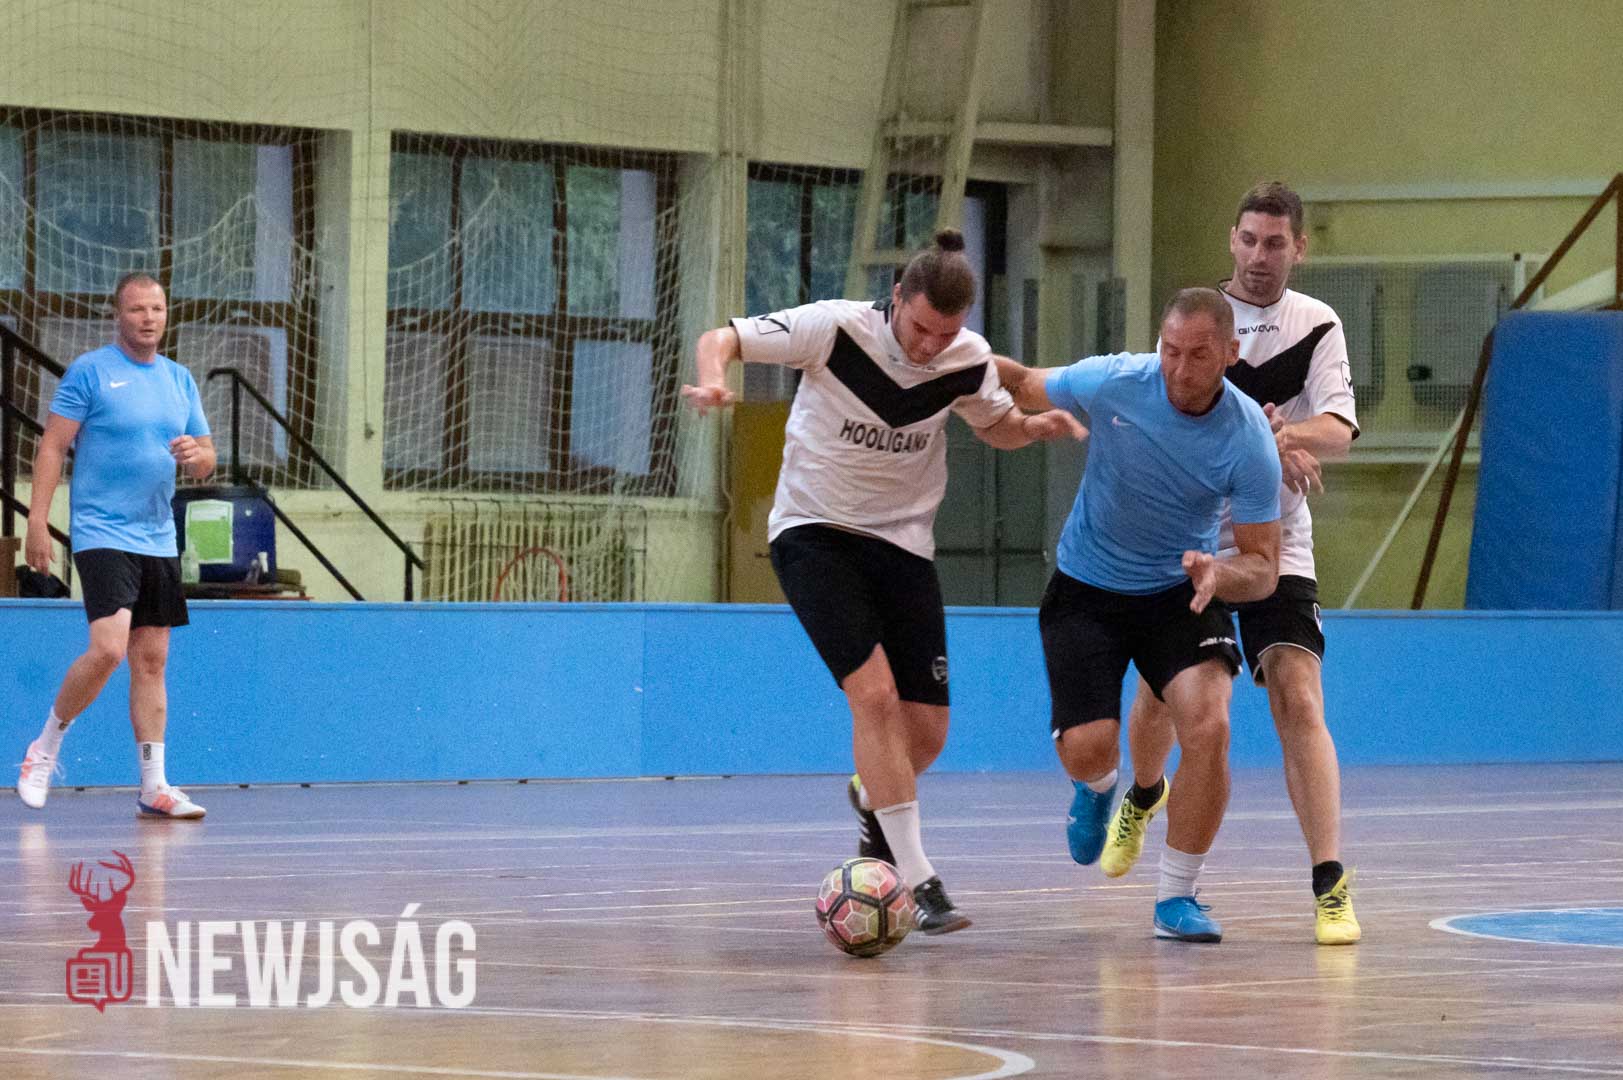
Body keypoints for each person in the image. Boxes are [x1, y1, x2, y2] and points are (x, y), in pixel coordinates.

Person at [682, 229, 1083, 934]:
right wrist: (715, 377)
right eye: (920, 328)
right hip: (814, 532)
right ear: (897, 298)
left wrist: (1032, 428)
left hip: (903, 546)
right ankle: (921, 883)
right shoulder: (834, 330)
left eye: (945, 333)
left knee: (925, 732)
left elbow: (994, 424)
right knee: (872, 697)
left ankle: (874, 795)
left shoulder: (967, 358)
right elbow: (723, 338)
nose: (930, 346)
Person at [1102, 182, 1362, 946]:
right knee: (1163, 699)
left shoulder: (1316, 324)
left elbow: (1338, 430)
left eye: (1274, 243)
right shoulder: (1199, 322)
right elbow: (1165, 408)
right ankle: (1142, 793)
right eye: (1247, 239)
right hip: (1190, 539)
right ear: (1230, 240)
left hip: (1274, 541)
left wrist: (1284, 440)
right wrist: (1263, 437)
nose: (1258, 255)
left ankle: (1329, 882)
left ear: (1298, 248)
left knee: (1298, 699)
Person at [997, 287, 1282, 943]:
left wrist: (1219, 573)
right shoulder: (1116, 382)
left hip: (1179, 590)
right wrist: (946, 365)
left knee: (1209, 725)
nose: (1180, 370)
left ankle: (1176, 896)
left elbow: (1264, 566)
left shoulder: (1247, 440)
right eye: (1170, 351)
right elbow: (1022, 382)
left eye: (1198, 355)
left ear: (1231, 353)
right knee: (1088, 747)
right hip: (1085, 588)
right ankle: (1098, 788)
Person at [16, 272, 216, 819]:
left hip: (158, 536)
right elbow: (52, 447)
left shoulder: (179, 380)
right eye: (137, 309)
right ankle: (44, 749)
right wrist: (38, 521)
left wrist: (196, 457)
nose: (148, 318)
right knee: (108, 649)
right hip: (102, 531)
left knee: (151, 661)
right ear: (118, 315)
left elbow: (207, 458)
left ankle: (154, 785)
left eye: (157, 309)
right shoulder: (91, 372)